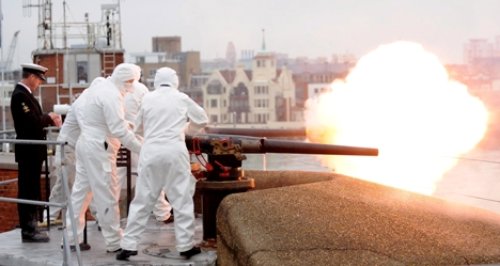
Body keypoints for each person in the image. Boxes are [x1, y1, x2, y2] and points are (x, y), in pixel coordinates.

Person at [117, 67, 208, 260]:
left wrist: (152, 132)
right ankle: (185, 245)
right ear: (175, 81)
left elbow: (137, 127)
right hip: (175, 151)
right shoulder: (181, 98)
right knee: (181, 200)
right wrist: (186, 128)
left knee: (142, 201)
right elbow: (202, 118)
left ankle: (128, 245)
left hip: (151, 152)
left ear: (156, 81)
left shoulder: (148, 98)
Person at [65, 63, 143, 253]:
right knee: (106, 192)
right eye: (130, 82)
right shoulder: (111, 94)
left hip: (86, 144)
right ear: (122, 79)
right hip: (100, 147)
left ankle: (70, 238)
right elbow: (117, 129)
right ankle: (114, 241)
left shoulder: (95, 91)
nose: (131, 87)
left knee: (80, 194)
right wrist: (142, 148)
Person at [11, 63, 62, 243]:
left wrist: (47, 117)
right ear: (32, 77)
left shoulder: (26, 95)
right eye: (39, 80)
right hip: (28, 151)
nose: (39, 84)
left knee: (32, 188)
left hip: (33, 151)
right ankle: (28, 229)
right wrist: (49, 117)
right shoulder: (20, 96)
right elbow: (30, 123)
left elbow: (34, 120)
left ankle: (32, 224)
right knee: (28, 189)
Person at [47, 77, 105, 222]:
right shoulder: (84, 103)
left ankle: (99, 215)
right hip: (67, 148)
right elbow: (89, 127)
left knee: (85, 182)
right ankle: (50, 216)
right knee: (64, 183)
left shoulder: (88, 101)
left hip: (74, 148)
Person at [123, 81, 173, 223]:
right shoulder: (141, 90)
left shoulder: (118, 91)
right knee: (153, 174)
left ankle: (105, 216)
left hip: (121, 139)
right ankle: (162, 213)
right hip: (138, 139)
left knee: (116, 180)